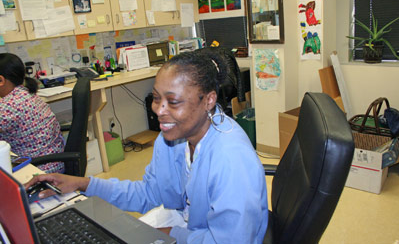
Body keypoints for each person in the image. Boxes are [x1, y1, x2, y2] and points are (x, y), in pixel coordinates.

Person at [25, 50, 269, 243]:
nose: (159, 111)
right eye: (156, 98)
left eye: (173, 102)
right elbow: (150, 193)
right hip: (189, 222)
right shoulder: (171, 139)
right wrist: (84, 184)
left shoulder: (232, 159)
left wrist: (171, 234)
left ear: (209, 100)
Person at [0, 53, 64, 173]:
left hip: (38, 169)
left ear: (1, 80)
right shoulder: (26, 93)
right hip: (54, 161)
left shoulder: (8, 107)